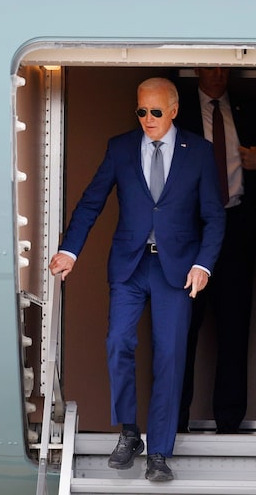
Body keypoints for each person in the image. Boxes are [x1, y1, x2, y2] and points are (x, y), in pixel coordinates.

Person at [48, 77, 225, 482]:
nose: (148, 119)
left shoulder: (199, 153)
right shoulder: (120, 147)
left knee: (170, 357)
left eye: (156, 112)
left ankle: (160, 452)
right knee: (118, 343)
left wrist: (204, 265)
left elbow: (215, 217)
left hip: (177, 271)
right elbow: (91, 201)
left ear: (174, 110)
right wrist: (71, 250)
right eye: (141, 111)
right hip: (130, 266)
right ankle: (129, 432)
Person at [175, 67, 256, 434]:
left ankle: (230, 422)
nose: (217, 73)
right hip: (189, 236)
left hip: (235, 231)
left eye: (222, 67)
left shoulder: (253, 112)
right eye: (210, 67)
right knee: (182, 327)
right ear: (198, 68)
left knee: (234, 329)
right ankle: (176, 419)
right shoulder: (177, 111)